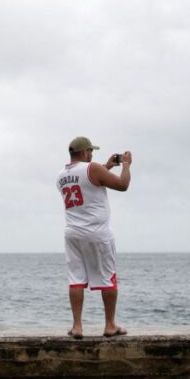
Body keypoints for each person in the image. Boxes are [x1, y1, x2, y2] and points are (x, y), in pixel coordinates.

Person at [56, 137, 132, 339]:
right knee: (108, 278)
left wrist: (106, 166)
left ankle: (77, 326)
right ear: (84, 152)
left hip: (72, 233)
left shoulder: (61, 176)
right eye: (91, 152)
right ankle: (109, 325)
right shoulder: (93, 169)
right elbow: (123, 185)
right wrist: (125, 165)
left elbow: (86, 182)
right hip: (96, 232)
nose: (92, 156)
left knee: (76, 279)